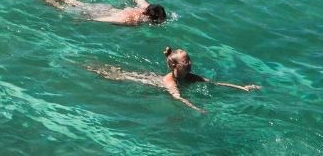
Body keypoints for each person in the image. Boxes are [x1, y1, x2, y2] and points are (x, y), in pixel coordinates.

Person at [88, 48, 260, 112]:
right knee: (116, 76)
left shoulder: (192, 77)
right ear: (176, 66)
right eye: (186, 61)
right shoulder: (170, 80)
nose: (190, 63)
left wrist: (242, 87)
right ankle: (93, 68)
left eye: (189, 59)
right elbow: (177, 97)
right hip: (147, 82)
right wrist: (196, 107)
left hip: (157, 82)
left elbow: (215, 83)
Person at [17, 0, 168, 26]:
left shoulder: (143, 8)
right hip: (100, 13)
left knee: (72, 1)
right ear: (150, 18)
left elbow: (140, 0)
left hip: (104, 7)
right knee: (60, 7)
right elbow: (111, 20)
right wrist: (88, 20)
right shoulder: (132, 20)